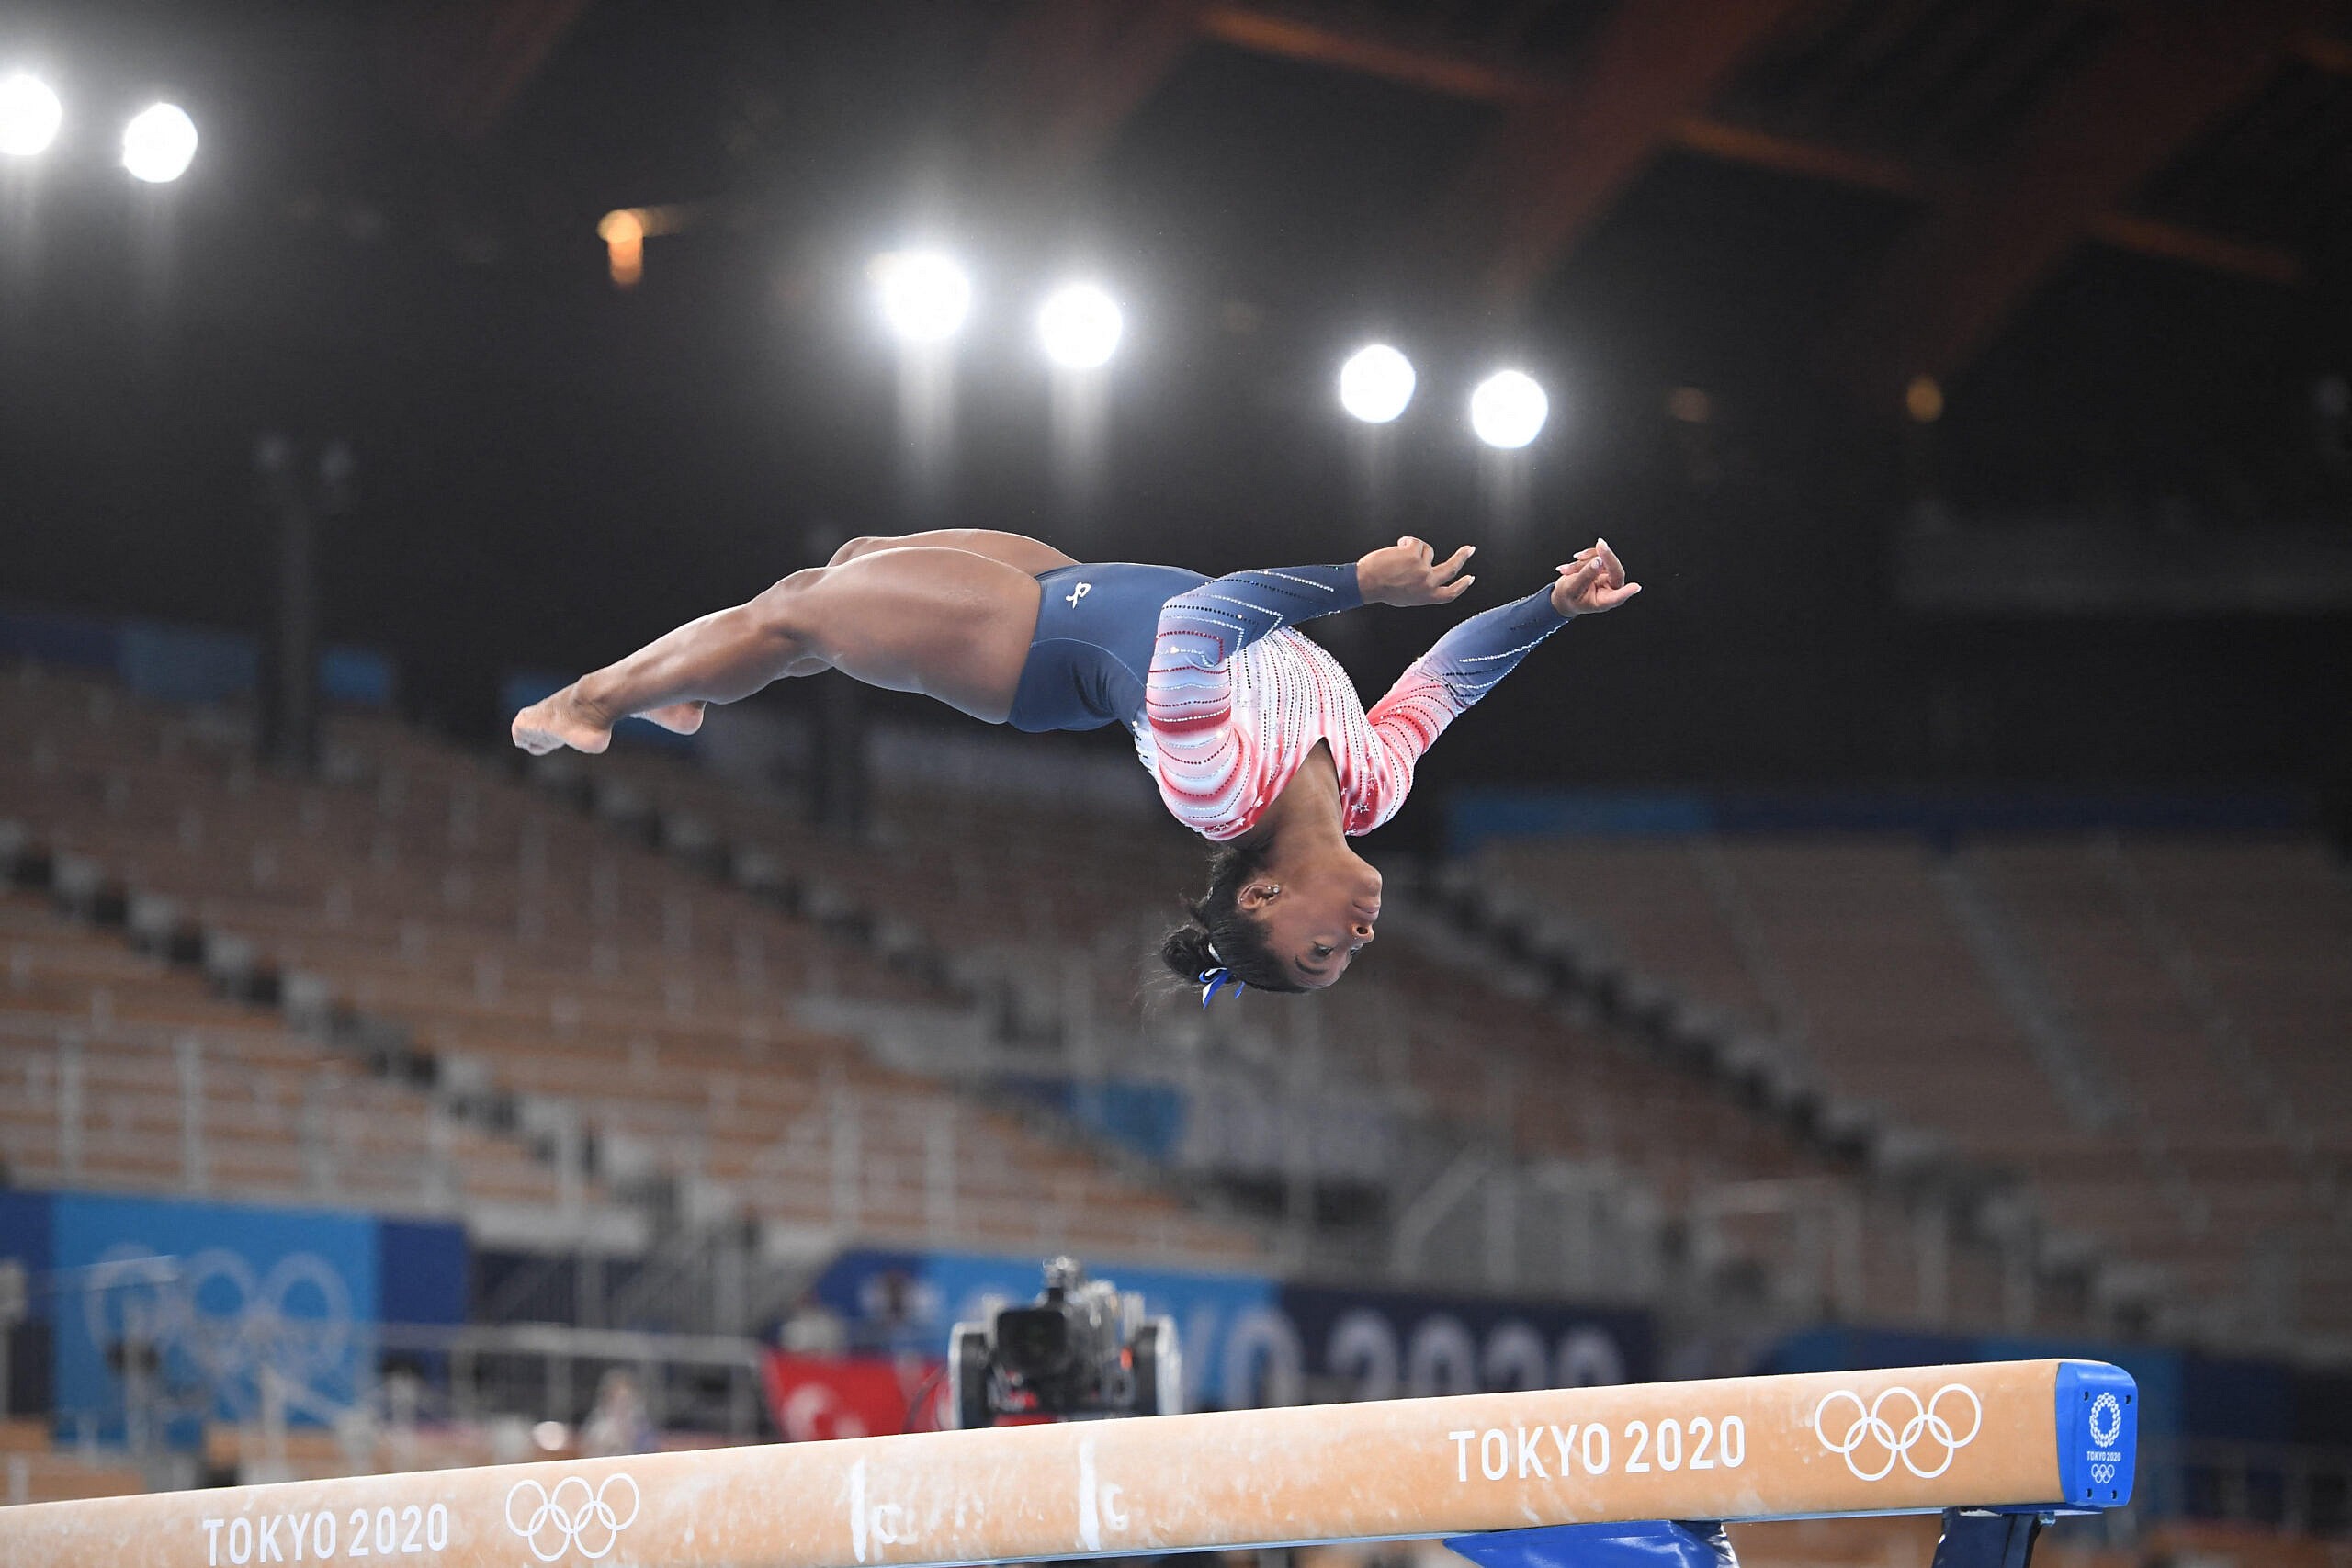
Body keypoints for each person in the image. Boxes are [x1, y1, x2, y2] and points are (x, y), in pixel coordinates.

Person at [512, 530, 1640, 995]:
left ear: (1262, 892)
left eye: (1317, 952)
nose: (1357, 939)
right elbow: (1452, 675)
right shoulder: (1375, 782)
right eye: (1345, 957)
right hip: (1078, 582)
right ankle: (693, 692)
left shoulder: (1217, 786)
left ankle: (591, 700)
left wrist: (1354, 582)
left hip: (1028, 653)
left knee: (804, 610)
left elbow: (1205, 624)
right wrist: (1549, 606)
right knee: (851, 569)